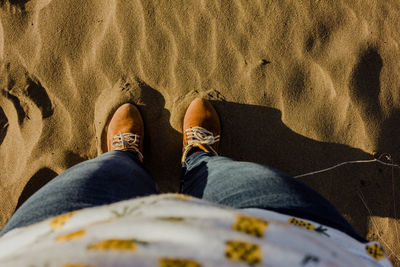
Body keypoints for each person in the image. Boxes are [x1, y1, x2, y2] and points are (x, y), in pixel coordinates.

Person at [0, 98, 392, 266]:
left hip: (48, 248)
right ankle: (199, 158)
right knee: (237, 181)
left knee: (107, 176)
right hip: (283, 247)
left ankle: (127, 157)